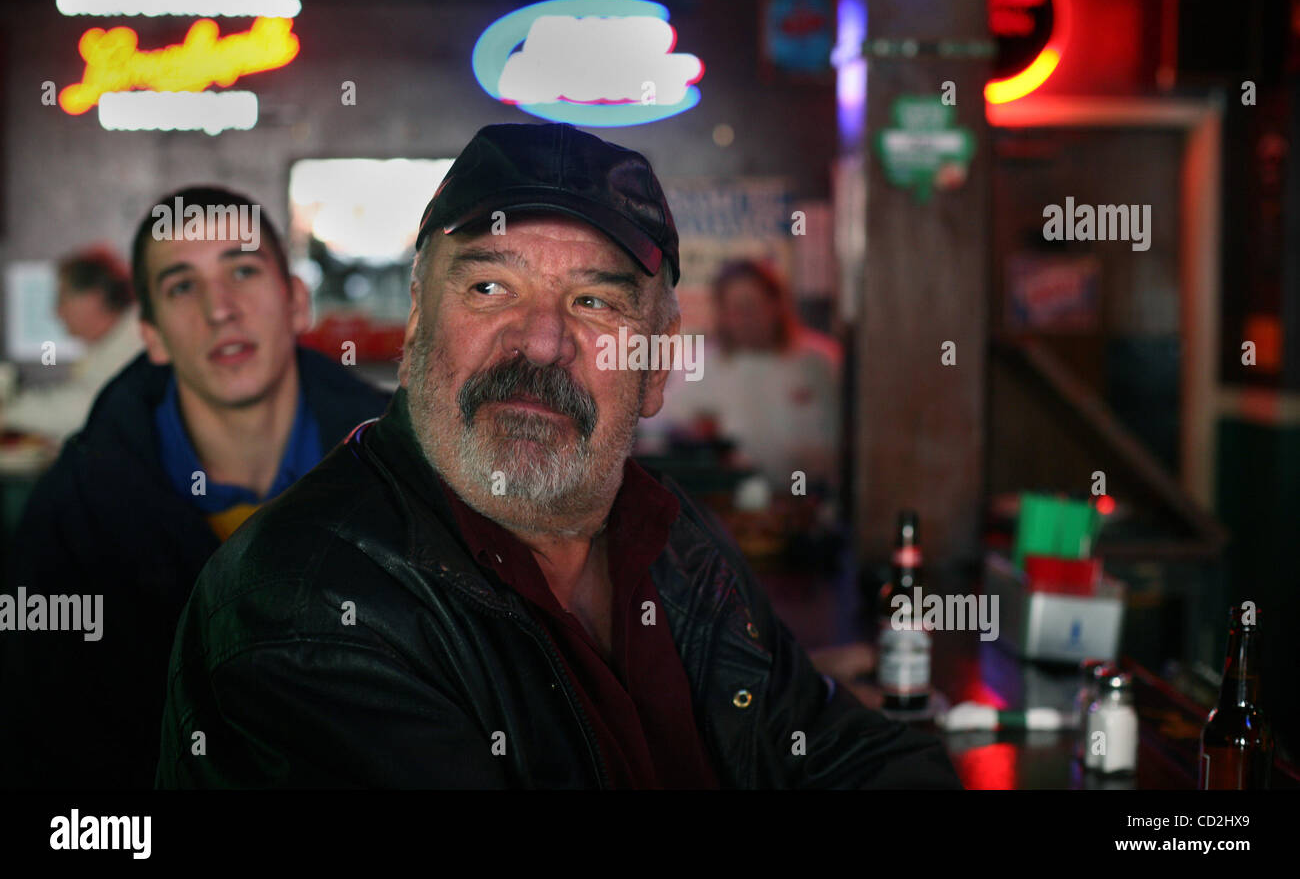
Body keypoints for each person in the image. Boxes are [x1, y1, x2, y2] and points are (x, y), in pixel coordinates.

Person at [157, 124, 960, 789]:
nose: (541, 342)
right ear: (413, 326)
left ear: (655, 366)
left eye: (594, 302)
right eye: (489, 290)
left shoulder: (675, 542)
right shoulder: (304, 603)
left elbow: (866, 763)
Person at [0, 187, 391, 788]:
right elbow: (50, 751)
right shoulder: (77, 510)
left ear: (295, 302)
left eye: (242, 270)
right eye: (183, 285)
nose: (220, 309)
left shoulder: (398, 477)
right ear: (150, 335)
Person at [650, 258, 843, 495]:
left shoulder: (819, 361)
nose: (743, 318)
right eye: (733, 309)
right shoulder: (701, 365)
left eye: (751, 306)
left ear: (775, 305)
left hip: (808, 503)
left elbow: (844, 441)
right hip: (727, 506)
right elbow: (667, 424)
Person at [0, 246, 142, 442]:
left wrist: (8, 413)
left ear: (93, 297)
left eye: (62, 297)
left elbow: (87, 409)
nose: (56, 311)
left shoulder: (138, 339)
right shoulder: (115, 342)